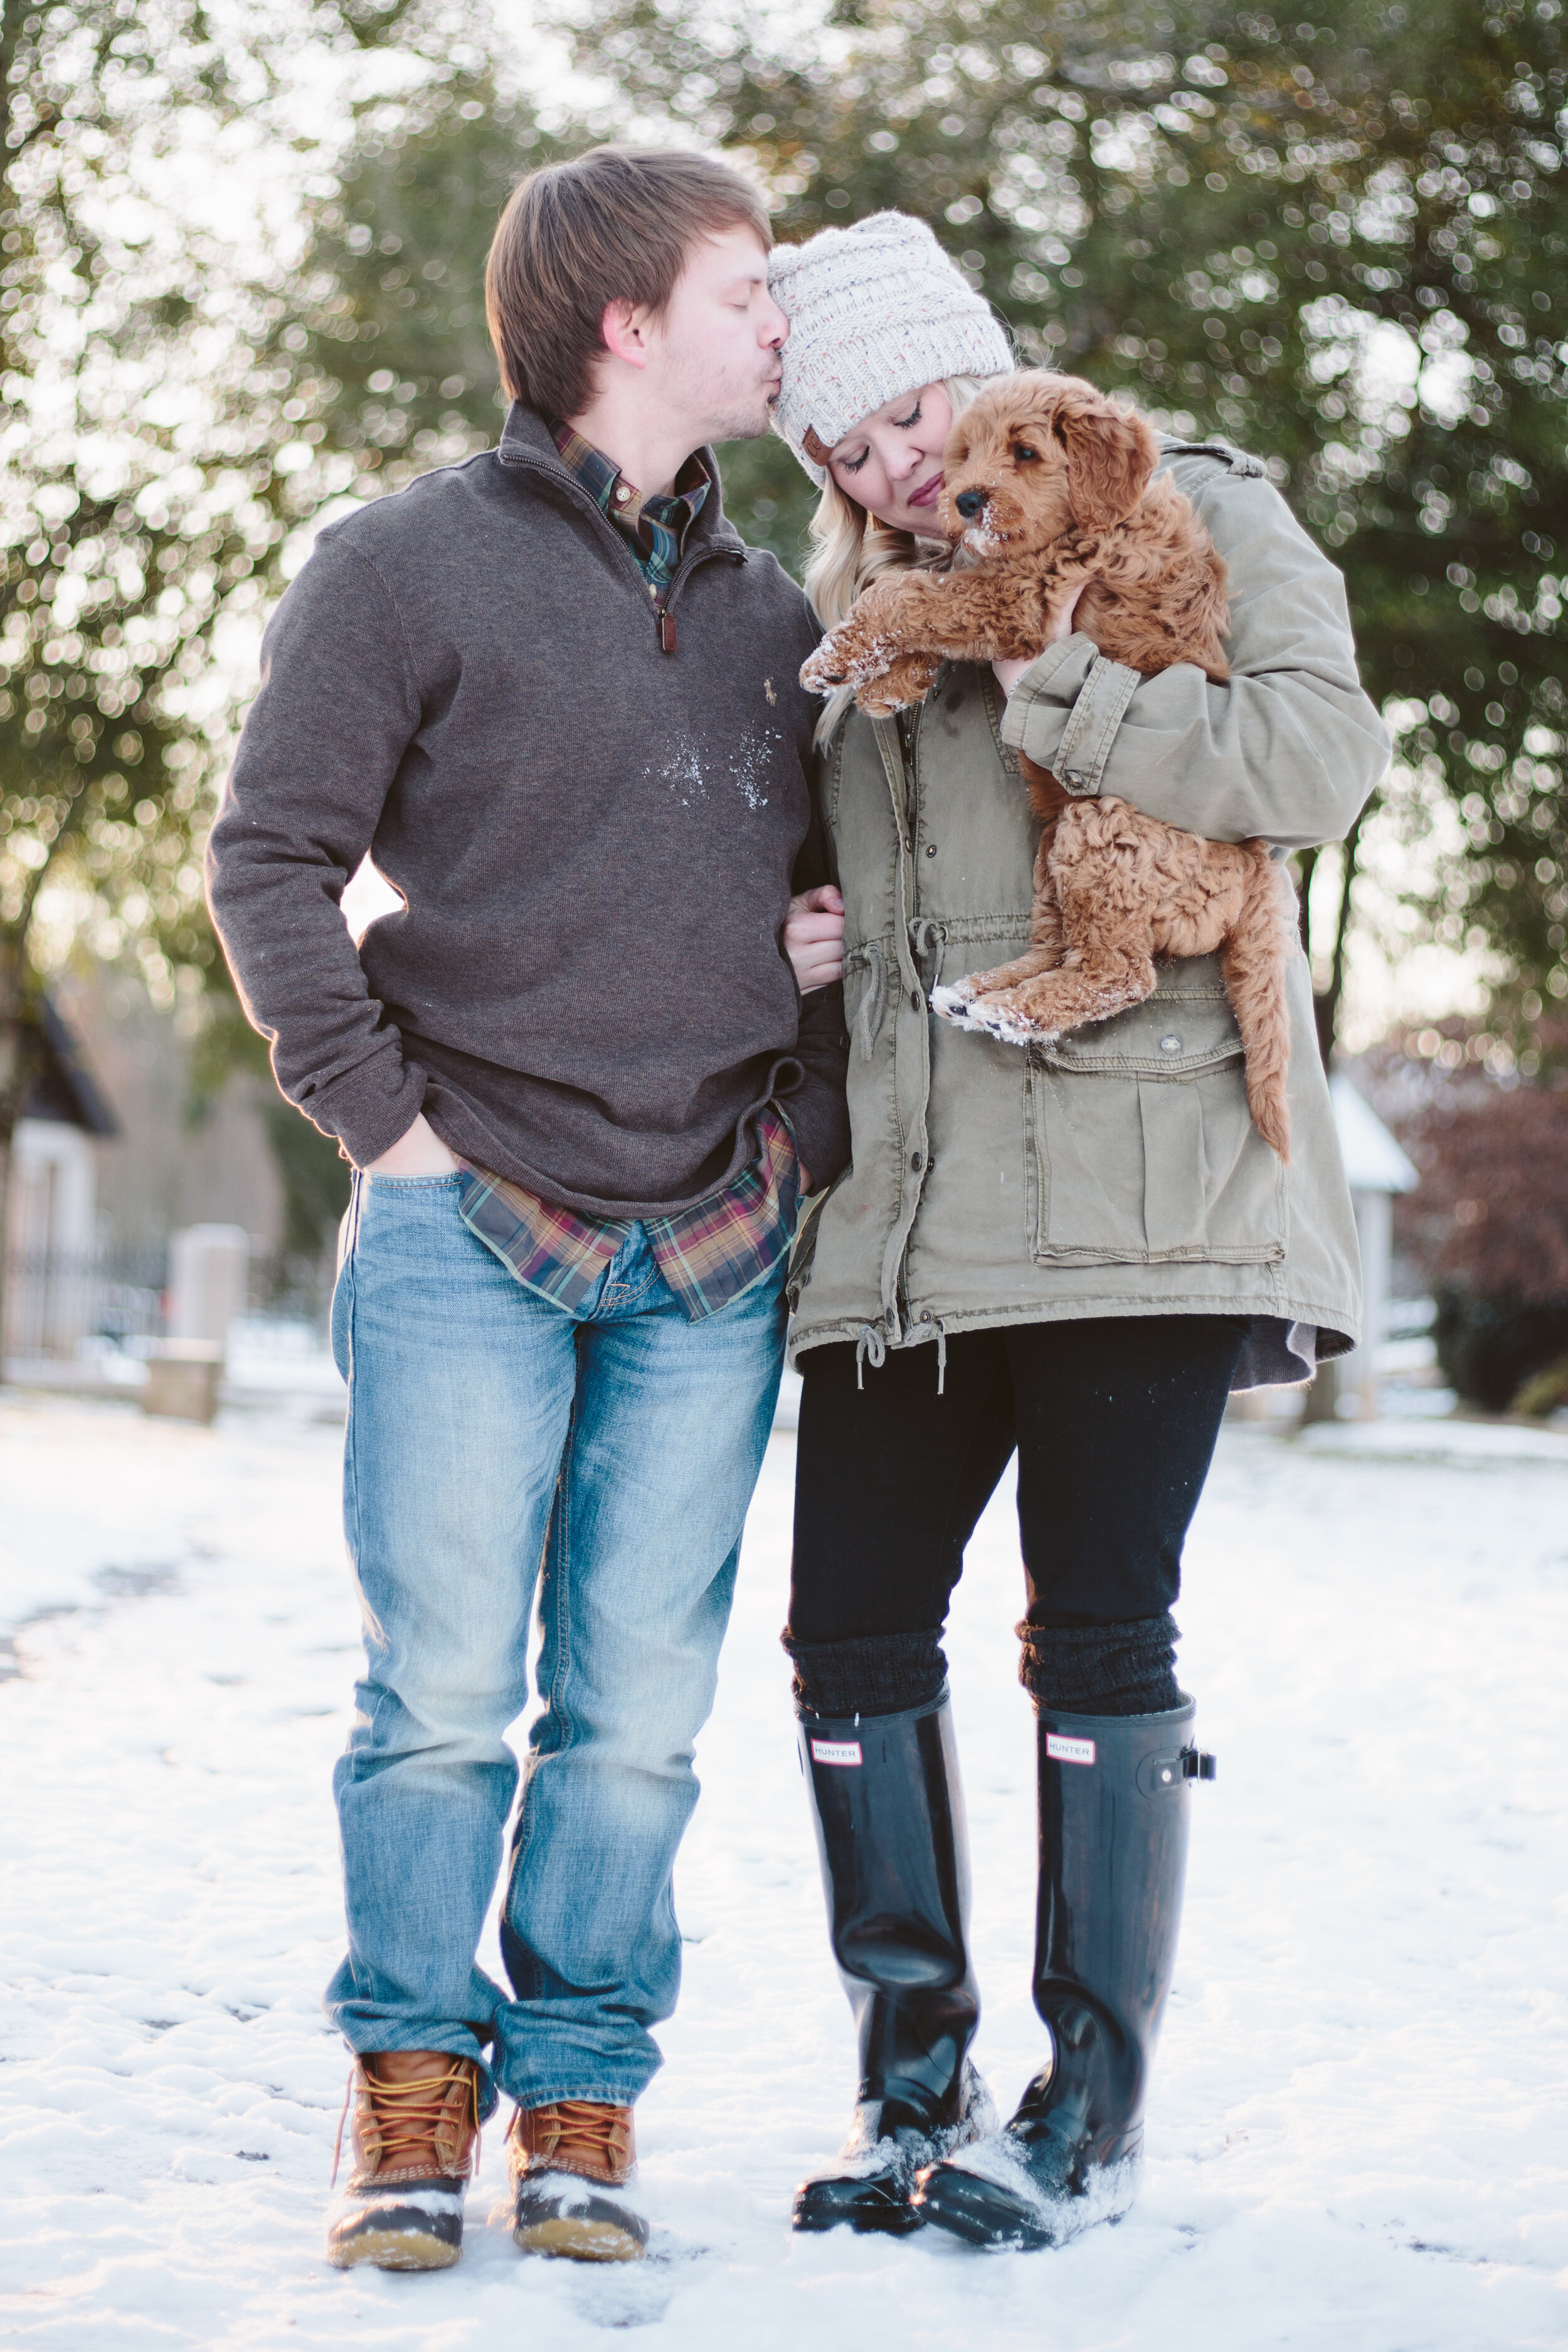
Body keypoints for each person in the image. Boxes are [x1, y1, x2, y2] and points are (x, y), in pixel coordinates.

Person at [206, 146, 850, 2272]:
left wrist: (812, 1011)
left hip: (711, 1239)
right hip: (466, 1217)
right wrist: (381, 1127)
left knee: (640, 1712)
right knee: (445, 1693)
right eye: (749, 291)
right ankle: (408, 2086)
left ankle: (581, 2084)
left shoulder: (785, 617)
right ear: (623, 321)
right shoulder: (400, 564)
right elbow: (267, 857)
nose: (785, 327)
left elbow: (813, 901)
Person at [764, 211, 1389, 2249]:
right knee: (848, 1632)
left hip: (1139, 1195)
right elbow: (823, 897)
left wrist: (1057, 684)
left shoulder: (1180, 507)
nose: (890, 466)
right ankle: (906, 2080)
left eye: (912, 410)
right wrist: (789, 949)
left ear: (989, 373)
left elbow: (1316, 758)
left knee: (1097, 1636)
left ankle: (1080, 2108)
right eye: (841, 448)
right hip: (907, 1222)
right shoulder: (848, 627)